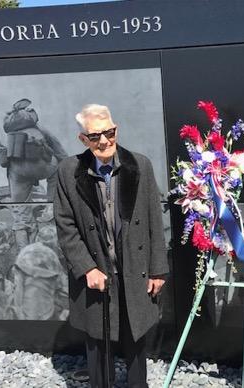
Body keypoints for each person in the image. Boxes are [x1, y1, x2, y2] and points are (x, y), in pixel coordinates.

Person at [53, 104, 168, 388]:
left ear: (115, 129)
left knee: (136, 339)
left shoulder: (139, 165)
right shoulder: (68, 171)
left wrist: (157, 270)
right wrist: (86, 268)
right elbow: (65, 225)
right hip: (97, 274)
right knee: (98, 342)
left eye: (109, 132)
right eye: (95, 136)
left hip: (135, 270)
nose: (104, 141)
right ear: (83, 139)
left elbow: (154, 218)